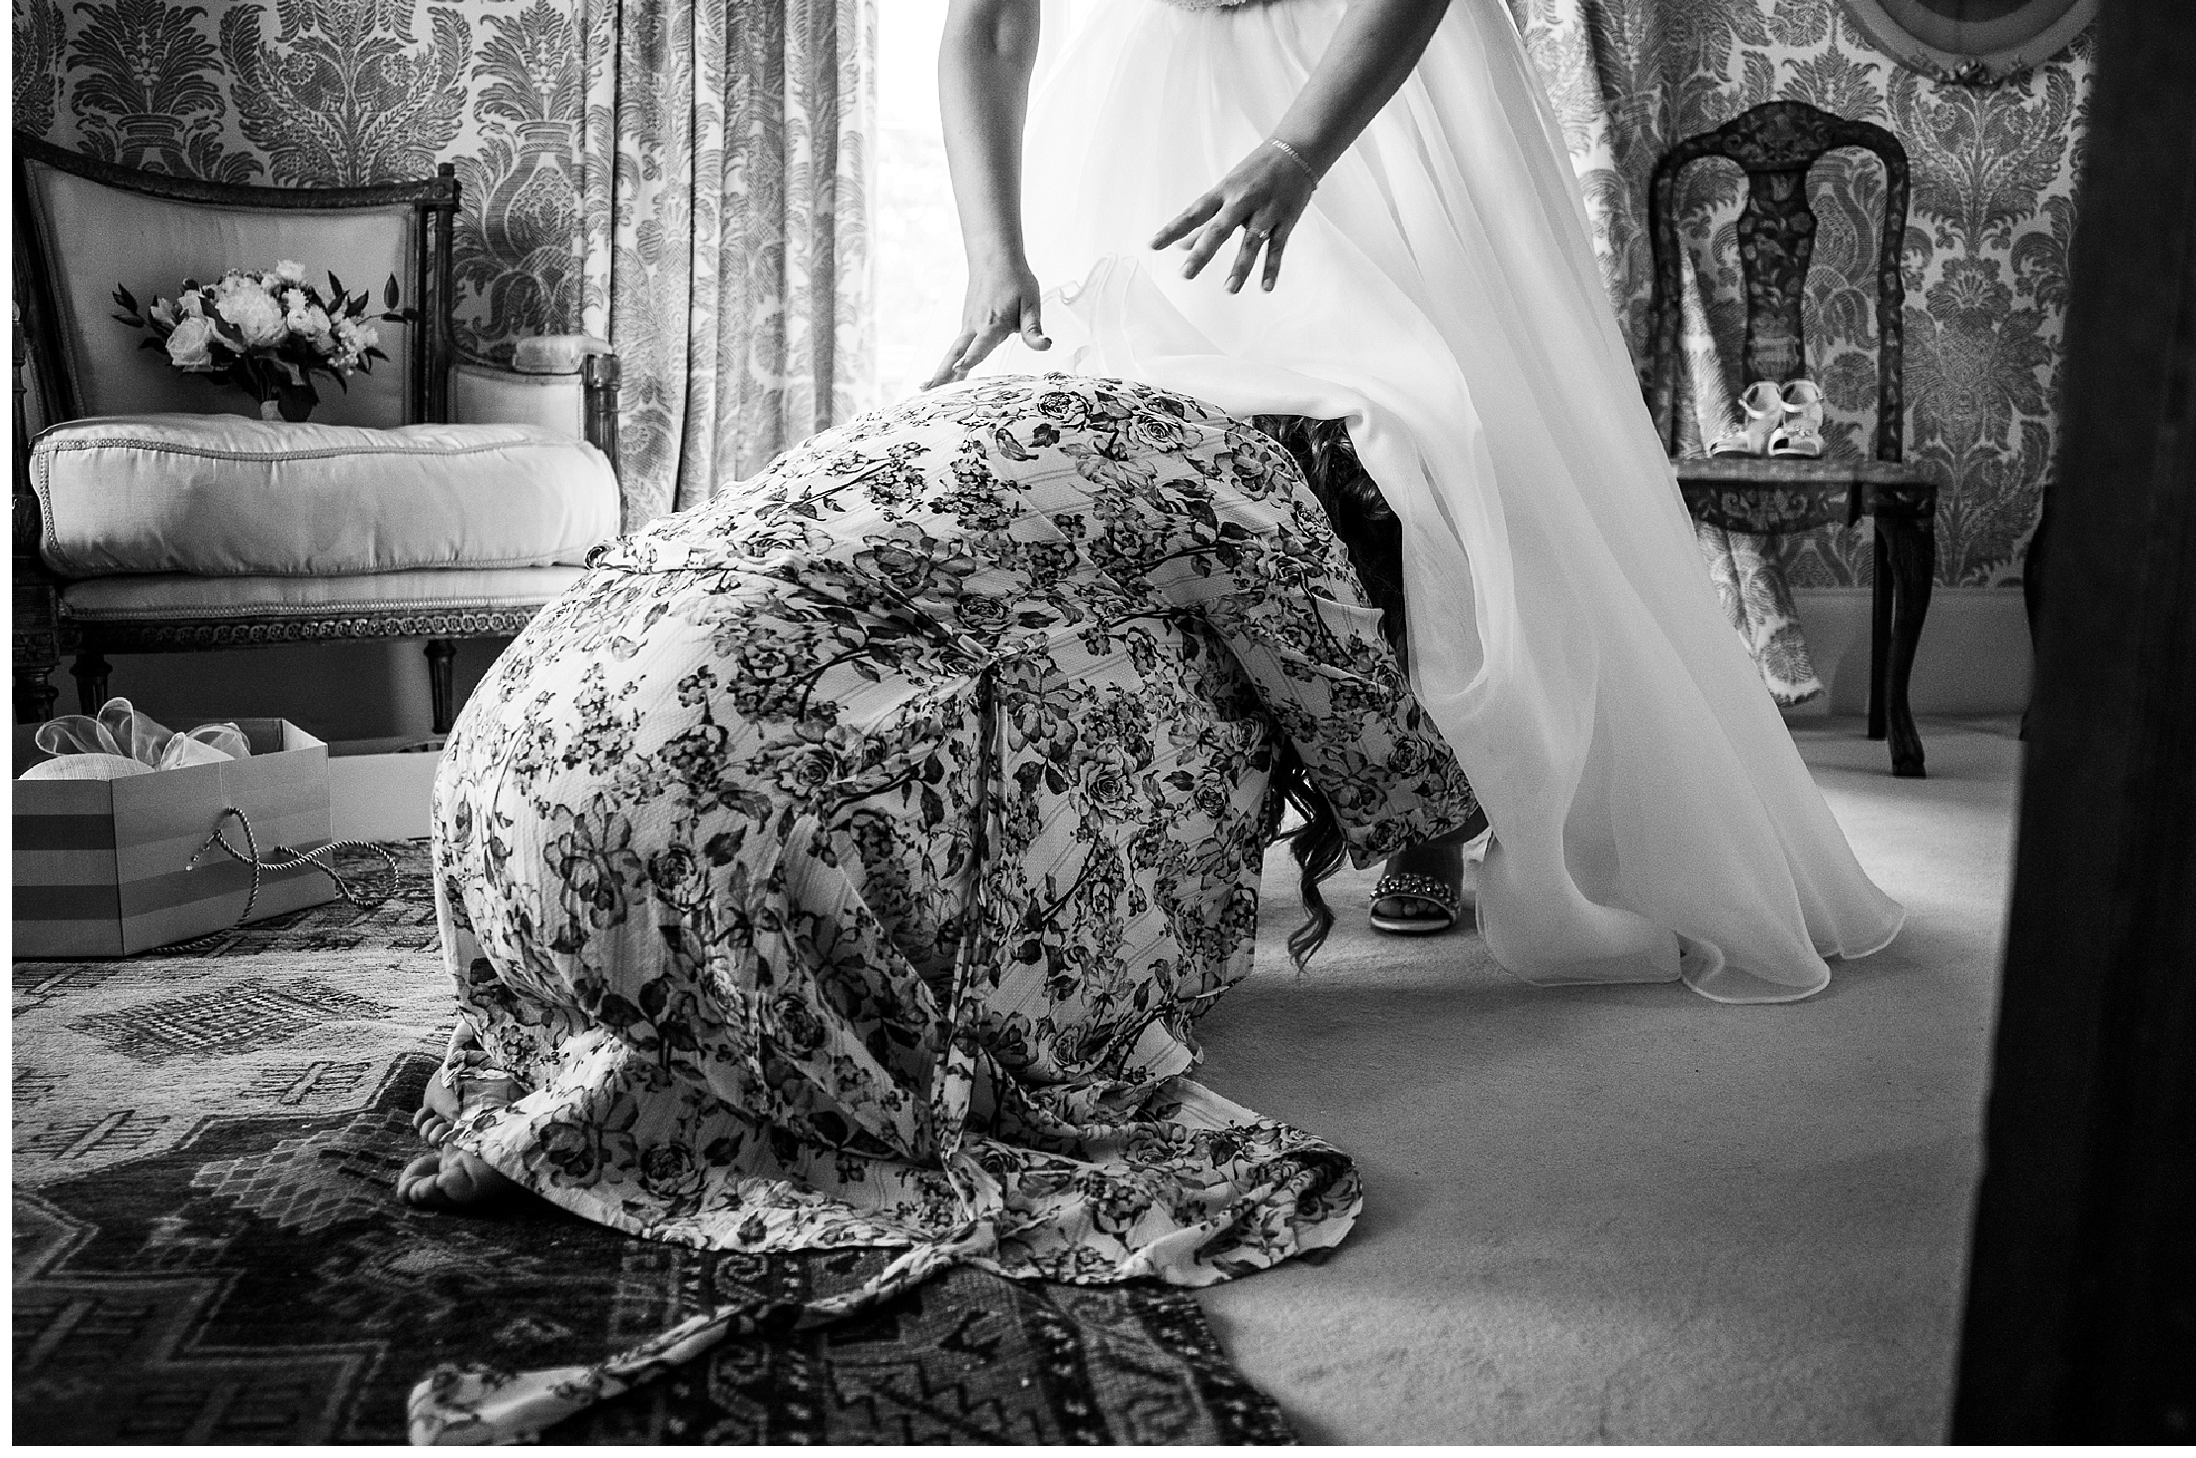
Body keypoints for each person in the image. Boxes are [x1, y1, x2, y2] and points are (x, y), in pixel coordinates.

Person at [395, 373, 1478, 1441]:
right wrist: (1442, 825)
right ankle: (741, 1070)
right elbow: (1353, 710)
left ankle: (612, 1067)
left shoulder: (1005, 399)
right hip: (733, 830)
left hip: (505, 776)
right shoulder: (1255, 478)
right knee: (1146, 685)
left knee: (983, 656)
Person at [932, 0, 1904, 997]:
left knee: (1425, 437)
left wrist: (1300, 150)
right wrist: (993, 251)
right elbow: (988, 19)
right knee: (1159, 467)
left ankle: (1437, 796)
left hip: (1383, 87)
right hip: (1153, 106)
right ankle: (1179, 806)